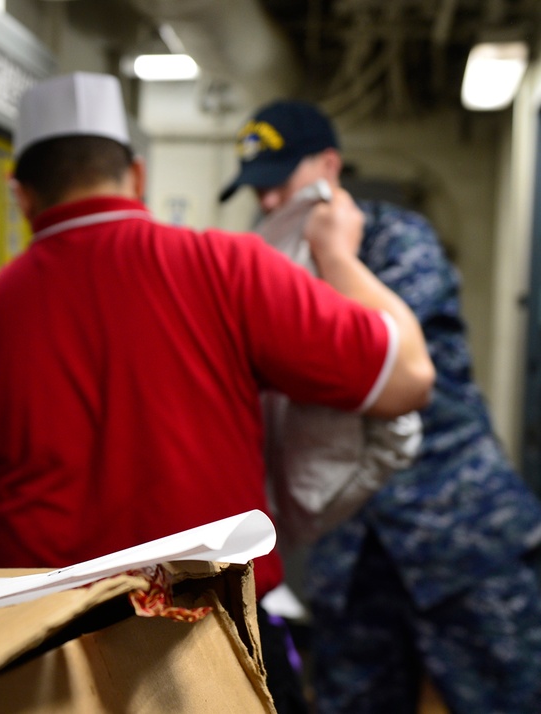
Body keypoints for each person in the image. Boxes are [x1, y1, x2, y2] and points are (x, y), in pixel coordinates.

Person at [0, 72, 434, 712]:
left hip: (47, 663)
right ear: (138, 176)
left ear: (21, 195)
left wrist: (17, 550)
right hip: (213, 654)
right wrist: (337, 255)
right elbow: (406, 379)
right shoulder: (227, 267)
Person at [220, 98, 541, 714]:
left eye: (280, 182)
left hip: (458, 535)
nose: (267, 203)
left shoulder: (398, 239)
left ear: (329, 166)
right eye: (257, 190)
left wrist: (336, 256)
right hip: (356, 556)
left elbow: (386, 357)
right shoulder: (271, 266)